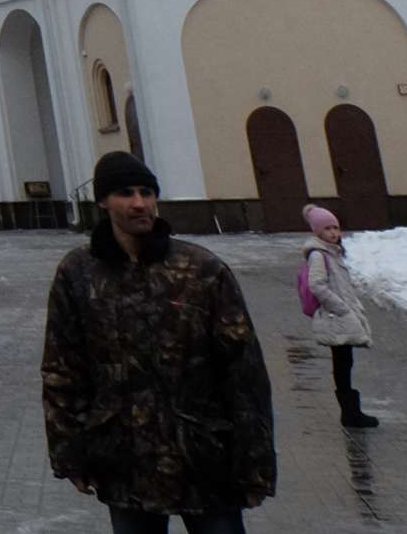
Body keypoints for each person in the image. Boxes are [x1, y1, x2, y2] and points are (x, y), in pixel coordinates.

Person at [42, 149, 278, 534]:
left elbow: (244, 372)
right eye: (126, 193)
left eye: (146, 192)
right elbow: (62, 368)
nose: (140, 203)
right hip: (124, 460)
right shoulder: (79, 274)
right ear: (102, 201)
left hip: (204, 456)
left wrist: (255, 463)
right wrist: (70, 454)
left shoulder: (201, 269)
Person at [299, 204, 379, 428]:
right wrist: (341, 308)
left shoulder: (332, 253)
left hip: (341, 314)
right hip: (336, 316)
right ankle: (350, 413)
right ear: (317, 232)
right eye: (327, 229)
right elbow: (317, 285)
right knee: (342, 362)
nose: (334, 232)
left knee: (345, 361)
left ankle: (351, 411)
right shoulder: (319, 255)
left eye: (336, 227)